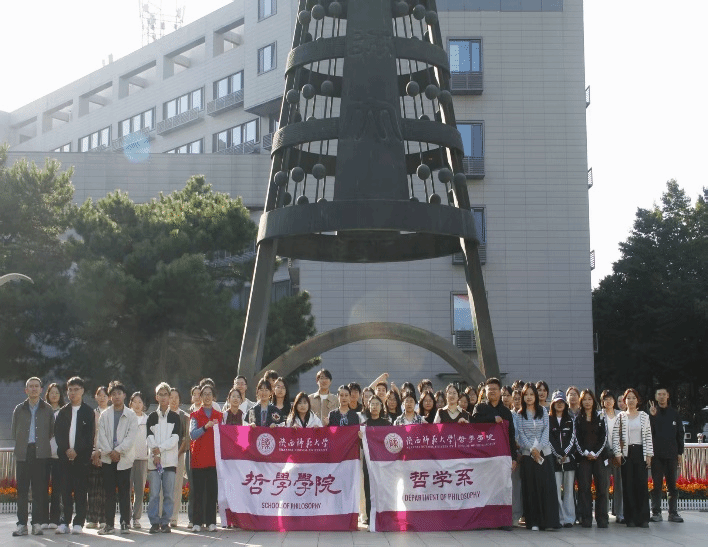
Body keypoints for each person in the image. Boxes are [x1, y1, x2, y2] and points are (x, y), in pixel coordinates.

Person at [11, 377, 54, 537]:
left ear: (41, 390)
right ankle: (22, 525)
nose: (34, 389)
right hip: (23, 453)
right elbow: (14, 431)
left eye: (36, 386)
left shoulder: (47, 409)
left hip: (41, 454)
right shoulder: (19, 409)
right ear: (26, 390)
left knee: (39, 490)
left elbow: (51, 431)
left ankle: (36, 523)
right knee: (22, 490)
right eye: (31, 386)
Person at [515, 382, 560, 531]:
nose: (529, 397)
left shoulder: (543, 412)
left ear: (535, 396)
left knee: (546, 487)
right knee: (531, 488)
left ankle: (549, 521)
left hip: (544, 454)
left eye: (531, 394)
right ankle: (533, 521)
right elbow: (521, 434)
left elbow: (546, 431)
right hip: (528, 455)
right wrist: (532, 449)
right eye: (526, 394)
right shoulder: (520, 414)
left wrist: (539, 448)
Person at [97, 380, 138, 535]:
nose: (116, 396)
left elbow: (131, 437)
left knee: (124, 492)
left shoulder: (131, 415)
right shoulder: (104, 415)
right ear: (110, 397)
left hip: (124, 458)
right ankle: (109, 524)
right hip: (108, 459)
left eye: (119, 393)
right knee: (109, 493)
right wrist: (110, 452)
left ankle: (125, 523)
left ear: (124, 395)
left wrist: (118, 451)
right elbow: (101, 436)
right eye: (113, 394)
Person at [54, 376, 95, 535]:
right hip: (64, 458)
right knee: (64, 491)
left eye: (76, 390)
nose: (72, 393)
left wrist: (76, 450)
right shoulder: (63, 412)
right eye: (70, 390)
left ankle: (79, 522)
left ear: (82, 391)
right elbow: (58, 434)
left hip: (81, 459)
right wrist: (66, 450)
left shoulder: (88, 412)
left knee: (80, 491)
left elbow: (89, 437)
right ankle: (65, 522)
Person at [611, 388, 653, 528]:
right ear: (624, 401)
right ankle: (630, 518)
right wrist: (618, 454)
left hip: (640, 452)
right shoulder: (621, 416)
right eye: (628, 398)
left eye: (633, 398)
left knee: (641, 485)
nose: (631, 400)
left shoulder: (644, 416)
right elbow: (615, 436)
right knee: (628, 485)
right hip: (626, 454)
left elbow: (648, 436)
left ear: (638, 400)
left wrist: (649, 455)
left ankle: (643, 518)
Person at [146, 382, 182, 534]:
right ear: (156, 397)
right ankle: (154, 522)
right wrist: (156, 454)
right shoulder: (151, 417)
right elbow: (149, 437)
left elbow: (175, 439)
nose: (163, 397)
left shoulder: (175, 417)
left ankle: (166, 522)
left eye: (165, 394)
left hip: (169, 462)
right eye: (160, 394)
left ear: (169, 396)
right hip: (155, 462)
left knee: (168, 494)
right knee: (154, 494)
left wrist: (159, 450)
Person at [648, 386, 685, 523]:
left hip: (672, 454)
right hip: (656, 455)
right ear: (656, 397)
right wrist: (652, 416)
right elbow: (648, 432)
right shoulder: (652, 413)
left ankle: (673, 513)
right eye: (659, 394)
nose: (662, 397)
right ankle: (656, 512)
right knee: (656, 485)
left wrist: (680, 452)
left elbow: (680, 434)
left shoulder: (674, 414)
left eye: (664, 394)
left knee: (672, 486)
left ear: (668, 396)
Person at [189, 383, 223, 532]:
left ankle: (211, 522)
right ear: (200, 397)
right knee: (197, 492)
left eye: (210, 394)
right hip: (198, 459)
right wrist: (205, 427)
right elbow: (192, 434)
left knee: (211, 492)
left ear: (214, 397)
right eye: (204, 394)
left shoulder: (219, 416)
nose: (207, 397)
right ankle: (196, 522)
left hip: (214, 460)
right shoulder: (195, 415)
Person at [575, 389, 609, 528]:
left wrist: (595, 453)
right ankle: (586, 518)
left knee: (602, 488)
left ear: (593, 401)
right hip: (584, 458)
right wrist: (585, 453)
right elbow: (576, 438)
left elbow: (604, 437)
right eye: (585, 399)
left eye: (589, 399)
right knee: (584, 488)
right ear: (581, 402)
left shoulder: (600, 416)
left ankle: (602, 518)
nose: (587, 402)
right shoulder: (578, 418)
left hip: (599, 457)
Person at [548, 390, 576, 528]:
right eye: (557, 402)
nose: (559, 405)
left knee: (569, 490)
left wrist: (566, 453)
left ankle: (569, 519)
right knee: (556, 491)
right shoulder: (548, 420)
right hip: (554, 460)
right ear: (552, 404)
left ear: (565, 404)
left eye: (562, 402)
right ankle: (559, 518)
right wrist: (558, 454)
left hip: (569, 460)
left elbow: (573, 438)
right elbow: (549, 439)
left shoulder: (570, 420)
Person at [362, 396, 390, 524]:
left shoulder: (387, 424)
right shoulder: (364, 425)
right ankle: (370, 516)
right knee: (369, 488)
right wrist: (360, 438)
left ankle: (384, 515)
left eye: (377, 404)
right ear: (368, 406)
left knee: (383, 488)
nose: (374, 406)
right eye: (372, 404)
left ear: (381, 406)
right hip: (368, 462)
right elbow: (361, 445)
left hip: (383, 462)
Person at [86, 386, 109, 529]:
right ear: (95, 397)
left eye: (105, 395)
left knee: (105, 488)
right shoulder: (91, 414)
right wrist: (94, 452)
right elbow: (89, 435)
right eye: (99, 395)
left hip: (107, 454)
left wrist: (102, 452)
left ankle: (104, 518)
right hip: (93, 454)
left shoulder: (112, 414)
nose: (102, 398)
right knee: (93, 487)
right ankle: (92, 518)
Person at [600, 390, 623, 524]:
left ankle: (620, 513)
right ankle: (604, 514)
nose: (608, 401)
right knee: (604, 485)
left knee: (619, 485)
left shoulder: (621, 415)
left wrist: (619, 451)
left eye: (610, 399)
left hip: (618, 454)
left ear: (614, 401)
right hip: (604, 454)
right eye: (605, 399)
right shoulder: (599, 415)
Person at [44, 382, 65, 530]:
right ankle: (43, 518)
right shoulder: (43, 410)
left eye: (57, 392)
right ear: (48, 394)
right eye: (52, 392)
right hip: (44, 454)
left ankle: (55, 518)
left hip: (58, 455)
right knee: (43, 487)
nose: (54, 395)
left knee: (57, 488)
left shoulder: (64, 411)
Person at [168, 388, 190, 528]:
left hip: (179, 454)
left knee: (177, 486)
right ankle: (164, 515)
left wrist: (177, 453)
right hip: (164, 455)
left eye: (176, 397)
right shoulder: (163, 415)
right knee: (165, 487)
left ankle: (174, 517)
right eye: (171, 397)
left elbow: (186, 438)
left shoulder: (184, 416)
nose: (174, 400)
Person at [129, 392, 148, 529]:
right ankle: (126, 517)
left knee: (139, 490)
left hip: (142, 458)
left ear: (144, 405)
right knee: (126, 489)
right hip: (128, 459)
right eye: (134, 402)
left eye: (140, 402)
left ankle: (136, 518)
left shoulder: (148, 420)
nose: (137, 405)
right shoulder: (127, 418)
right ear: (130, 404)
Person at [186, 385, 201, 528]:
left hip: (204, 452)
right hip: (190, 452)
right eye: (194, 394)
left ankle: (202, 517)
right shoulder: (188, 414)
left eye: (199, 394)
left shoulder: (207, 412)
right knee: (192, 486)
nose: (197, 396)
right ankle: (192, 518)